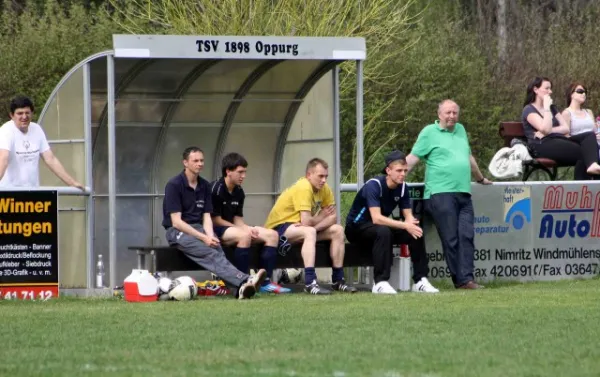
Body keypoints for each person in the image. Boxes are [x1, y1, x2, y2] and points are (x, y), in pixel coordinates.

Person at [406, 99, 491, 289]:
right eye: (448, 113)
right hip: (440, 193)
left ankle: (467, 279)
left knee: (467, 236)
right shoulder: (429, 132)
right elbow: (413, 158)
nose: (452, 116)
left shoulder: (460, 130)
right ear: (439, 114)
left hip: (463, 193)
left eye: (455, 113)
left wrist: (480, 178)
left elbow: (468, 157)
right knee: (451, 238)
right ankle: (461, 281)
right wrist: (395, 177)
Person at [162, 146, 266, 300]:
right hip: (178, 232)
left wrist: (210, 236)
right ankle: (245, 280)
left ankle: (240, 290)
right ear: (185, 162)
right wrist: (204, 238)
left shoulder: (204, 185)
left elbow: (206, 217)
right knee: (210, 252)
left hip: (198, 229)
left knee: (217, 249)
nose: (199, 164)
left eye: (202, 160)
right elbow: (176, 222)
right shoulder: (174, 185)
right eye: (195, 161)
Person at [345, 150, 439, 294]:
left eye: (405, 171)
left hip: (379, 228)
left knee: (415, 232)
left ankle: (420, 280)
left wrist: (411, 224)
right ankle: (380, 282)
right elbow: (376, 218)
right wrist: (405, 225)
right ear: (388, 170)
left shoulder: (402, 188)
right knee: (384, 230)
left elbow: (408, 216)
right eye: (399, 170)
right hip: (356, 228)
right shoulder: (374, 185)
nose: (403, 174)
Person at [264, 158, 357, 295]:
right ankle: (310, 282)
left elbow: (333, 217)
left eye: (326, 176)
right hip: (280, 228)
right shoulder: (304, 186)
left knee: (338, 230)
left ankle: (338, 280)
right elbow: (307, 221)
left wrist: (314, 226)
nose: (324, 180)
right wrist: (319, 218)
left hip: (302, 228)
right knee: (309, 232)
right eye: (320, 176)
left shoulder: (324, 189)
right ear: (309, 175)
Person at [210, 152, 291, 294]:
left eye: (245, 172)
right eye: (240, 172)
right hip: (216, 231)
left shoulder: (239, 192)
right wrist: (243, 230)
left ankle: (265, 283)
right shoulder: (216, 189)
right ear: (228, 171)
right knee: (244, 236)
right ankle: (241, 282)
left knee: (272, 235)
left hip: (232, 228)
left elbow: (238, 220)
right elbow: (215, 220)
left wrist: (249, 228)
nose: (243, 176)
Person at [522, 77, 600, 180]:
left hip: (558, 140)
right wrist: (546, 109)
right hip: (541, 145)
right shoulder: (529, 109)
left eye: (550, 88)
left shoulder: (552, 107)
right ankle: (583, 188)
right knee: (585, 153)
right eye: (547, 88)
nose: (550, 91)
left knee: (589, 136)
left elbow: (565, 128)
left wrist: (550, 130)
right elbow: (545, 128)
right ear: (536, 90)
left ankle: (592, 170)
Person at [0, 95, 84, 189]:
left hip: (32, 192)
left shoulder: (37, 129)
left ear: (32, 113)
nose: (24, 116)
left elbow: (50, 159)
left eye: (27, 113)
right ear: (12, 115)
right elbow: (3, 159)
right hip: (9, 194)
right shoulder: (6, 131)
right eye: (20, 113)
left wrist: (72, 183)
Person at [561, 82, 600, 152]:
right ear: (571, 94)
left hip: (595, 144)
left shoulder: (588, 112)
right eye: (580, 91)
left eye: (585, 92)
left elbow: (595, 131)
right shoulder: (566, 113)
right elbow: (566, 137)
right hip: (579, 147)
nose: (584, 94)